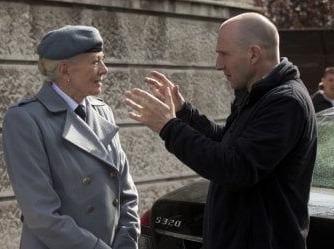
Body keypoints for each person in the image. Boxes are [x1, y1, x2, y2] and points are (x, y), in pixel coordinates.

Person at [125, 12, 317, 249]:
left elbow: (235, 169)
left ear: (253, 54)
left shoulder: (286, 102)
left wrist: (169, 127)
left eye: (223, 54)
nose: (218, 65)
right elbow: (225, 144)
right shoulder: (257, 95)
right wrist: (183, 112)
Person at [2, 25, 139, 249]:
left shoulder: (102, 111)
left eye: (103, 60)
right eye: (95, 62)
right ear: (65, 70)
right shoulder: (25, 119)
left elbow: (126, 191)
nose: (104, 69)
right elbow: (41, 214)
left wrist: (126, 241)